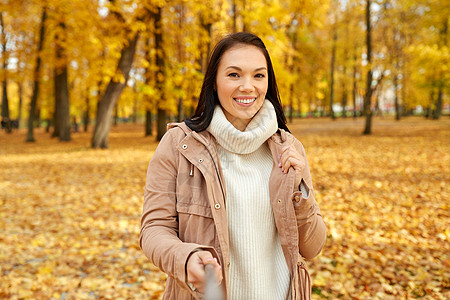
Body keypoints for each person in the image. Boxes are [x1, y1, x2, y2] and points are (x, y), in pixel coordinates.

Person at [140, 32, 326, 300]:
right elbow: (154, 230)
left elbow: (313, 246)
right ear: (214, 82)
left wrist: (301, 194)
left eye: (258, 75)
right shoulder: (179, 145)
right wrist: (186, 258)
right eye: (234, 75)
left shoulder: (289, 148)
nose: (248, 86)